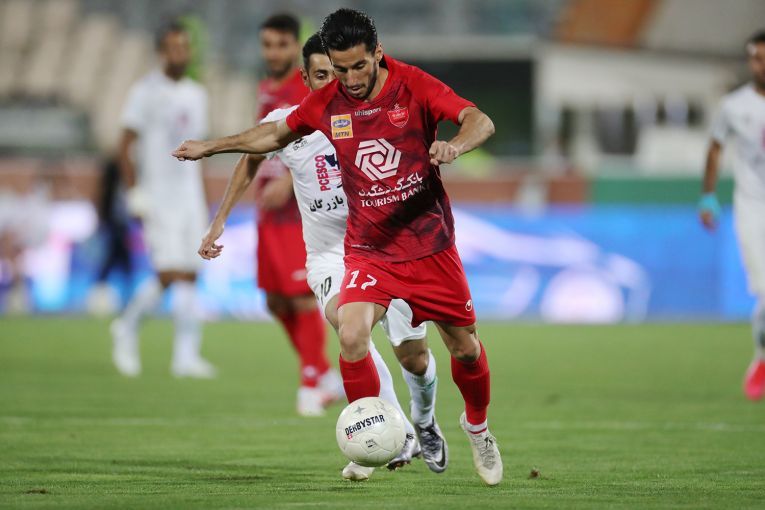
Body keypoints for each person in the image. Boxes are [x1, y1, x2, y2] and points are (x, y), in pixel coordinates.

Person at [173, 8, 503, 485]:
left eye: (358, 67)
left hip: (428, 245)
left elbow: (479, 120)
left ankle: (476, 428)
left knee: (463, 349)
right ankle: (373, 439)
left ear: (378, 53)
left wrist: (456, 145)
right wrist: (211, 146)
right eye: (340, 69)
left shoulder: (414, 85)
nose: (350, 80)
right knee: (350, 335)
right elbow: (273, 133)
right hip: (368, 250)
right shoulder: (328, 102)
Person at [111, 21, 215, 378]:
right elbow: (124, 146)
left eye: (185, 46)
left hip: (189, 196)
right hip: (158, 195)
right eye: (173, 47)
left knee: (191, 274)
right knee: (168, 273)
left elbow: (201, 151)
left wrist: (206, 200)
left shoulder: (197, 94)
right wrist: (134, 193)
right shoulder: (145, 91)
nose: (180, 53)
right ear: (161, 51)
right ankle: (126, 326)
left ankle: (185, 357)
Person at [254, 14, 340, 415]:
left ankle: (311, 382)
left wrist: (288, 180)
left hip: (298, 211)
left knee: (302, 298)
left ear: (295, 47)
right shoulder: (266, 88)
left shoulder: (307, 85)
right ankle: (323, 373)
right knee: (275, 301)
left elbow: (322, 136)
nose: (274, 53)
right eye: (267, 45)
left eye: (282, 45)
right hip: (267, 212)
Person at [700, 30, 765, 401]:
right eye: (756, 58)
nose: (762, 65)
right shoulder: (734, 106)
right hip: (754, 208)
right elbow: (715, 147)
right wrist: (708, 196)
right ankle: (762, 358)